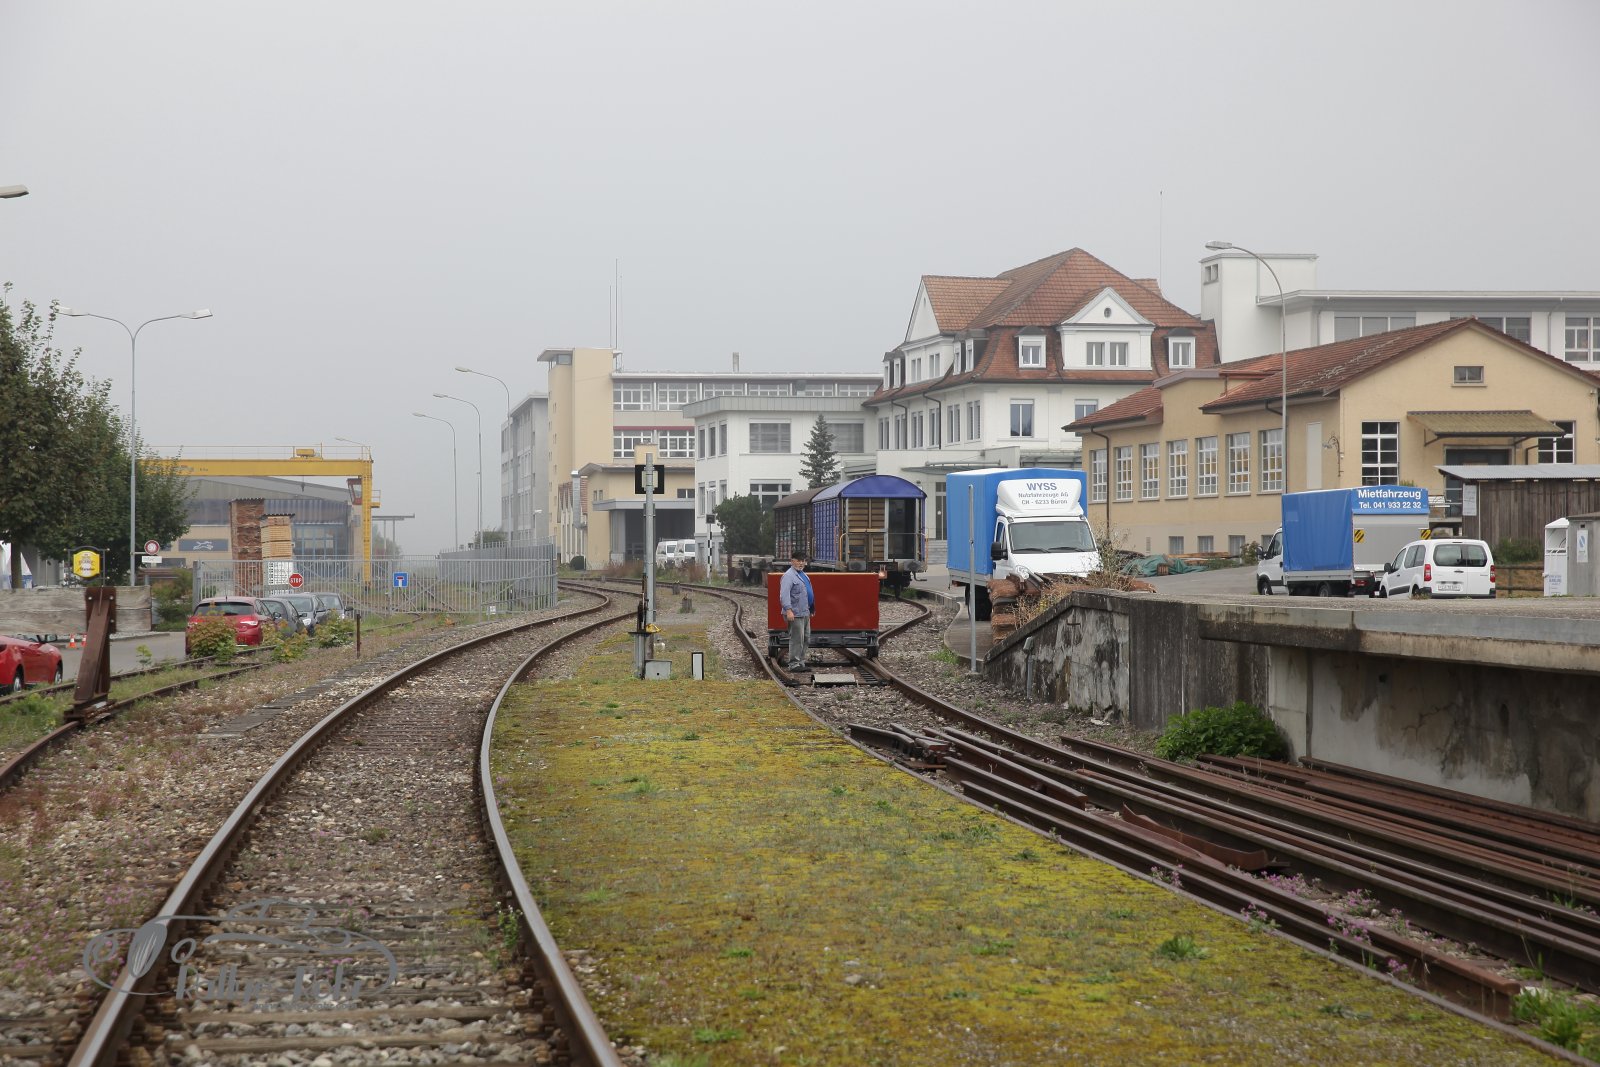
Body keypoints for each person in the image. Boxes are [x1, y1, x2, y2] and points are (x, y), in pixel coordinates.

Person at [779, 550, 812, 671]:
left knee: (806, 638)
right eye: (798, 561)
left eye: (803, 561)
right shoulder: (788, 576)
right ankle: (794, 664)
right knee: (797, 639)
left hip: (804, 612)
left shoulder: (803, 575)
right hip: (795, 613)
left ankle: (800, 662)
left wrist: (811, 608)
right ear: (792, 561)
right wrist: (788, 610)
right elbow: (784, 595)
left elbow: (807, 593)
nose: (801, 563)